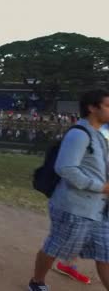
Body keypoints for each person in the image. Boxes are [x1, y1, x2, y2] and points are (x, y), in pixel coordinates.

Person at [28, 89, 109, 291]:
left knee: (105, 253)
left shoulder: (99, 135)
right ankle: (37, 282)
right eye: (108, 106)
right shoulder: (79, 135)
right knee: (54, 246)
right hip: (73, 206)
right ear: (92, 108)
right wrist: (100, 187)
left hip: (98, 209)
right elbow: (65, 168)